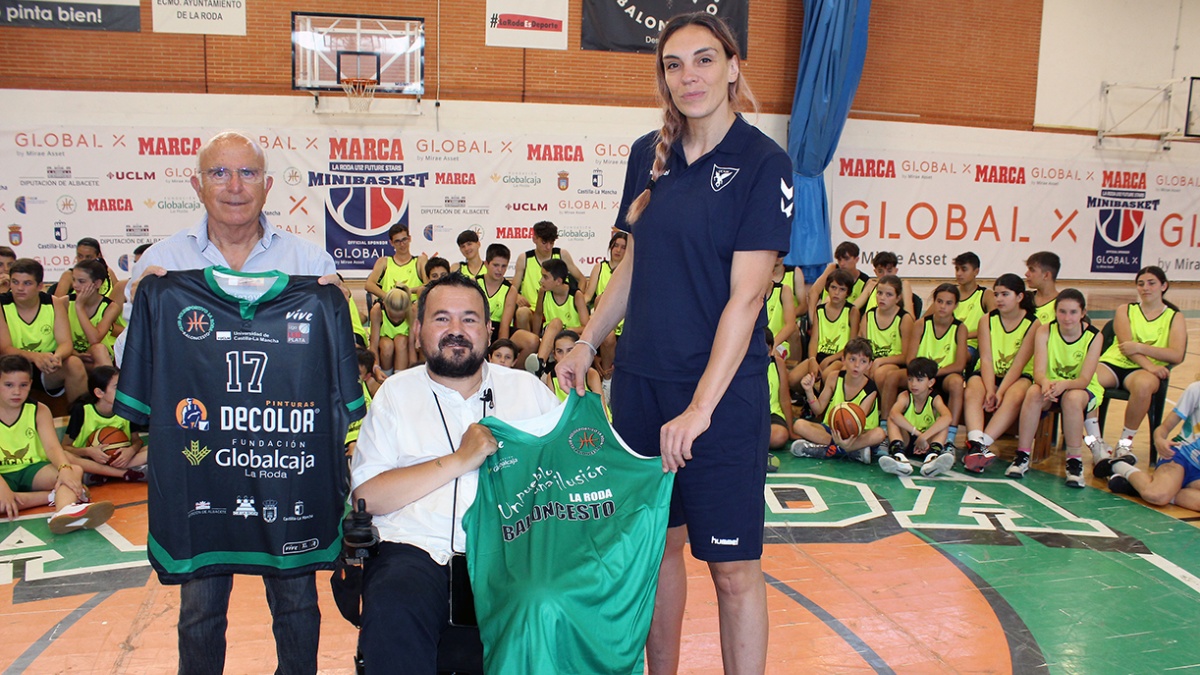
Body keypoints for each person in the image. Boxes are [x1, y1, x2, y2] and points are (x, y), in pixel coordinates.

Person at [556, 12, 793, 674]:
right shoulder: (646, 155)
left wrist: (699, 409)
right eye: (673, 63)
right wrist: (587, 339)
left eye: (704, 59)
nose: (688, 75)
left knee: (733, 569)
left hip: (719, 397)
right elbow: (632, 265)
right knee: (657, 552)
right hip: (640, 386)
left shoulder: (762, 163)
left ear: (733, 66)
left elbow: (747, 297)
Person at [126, 130, 341, 675]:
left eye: (247, 173)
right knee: (200, 611)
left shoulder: (309, 262)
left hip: (284, 467)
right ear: (197, 184)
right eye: (220, 173)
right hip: (202, 471)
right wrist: (144, 299)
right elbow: (141, 372)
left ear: (268, 185)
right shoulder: (161, 265)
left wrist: (331, 301)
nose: (234, 186)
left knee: (296, 604)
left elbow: (335, 371)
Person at [350, 273, 559, 671]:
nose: (457, 331)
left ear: (488, 328)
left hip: (513, 553)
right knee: (393, 606)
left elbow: (573, 472)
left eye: (469, 319)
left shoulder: (527, 391)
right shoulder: (396, 394)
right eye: (442, 319)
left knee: (553, 605)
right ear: (418, 331)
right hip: (414, 549)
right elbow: (367, 495)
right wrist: (461, 460)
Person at [1088, 265, 1185, 476]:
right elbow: (1125, 345)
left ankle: (1124, 444)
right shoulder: (1126, 309)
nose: (1145, 288)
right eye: (1141, 283)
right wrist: (1150, 364)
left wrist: (1140, 347)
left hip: (1140, 374)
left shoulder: (1174, 317)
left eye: (1151, 283)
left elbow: (1176, 354)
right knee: (1087, 380)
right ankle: (1096, 444)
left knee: (1143, 387)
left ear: (1164, 286)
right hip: (1115, 363)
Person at [0, 354, 113, 533]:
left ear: (30, 383)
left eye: (23, 385)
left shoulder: (39, 410)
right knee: (3, 499)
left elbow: (52, 447)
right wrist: (3, 488)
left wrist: (64, 469)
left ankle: (63, 513)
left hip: (32, 469)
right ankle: (53, 497)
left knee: (73, 471)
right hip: (2, 474)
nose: (16, 392)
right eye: (9, 385)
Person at [1008, 289, 1103, 487]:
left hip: (1081, 388)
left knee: (1072, 399)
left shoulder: (1094, 336)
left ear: (1083, 312)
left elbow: (1084, 379)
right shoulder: (1045, 331)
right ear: (1055, 311)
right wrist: (1045, 383)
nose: (1067, 318)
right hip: (1051, 385)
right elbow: (1039, 372)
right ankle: (1022, 455)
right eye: (1062, 312)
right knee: (1033, 392)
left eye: (1073, 312)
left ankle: (1074, 461)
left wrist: (1064, 385)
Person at [962, 274, 1038, 472]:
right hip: (989, 373)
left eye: (1005, 294)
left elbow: (1019, 363)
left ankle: (983, 445)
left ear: (1020, 297)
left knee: (1015, 395)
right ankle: (976, 444)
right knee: (972, 389)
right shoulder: (987, 320)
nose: (999, 299)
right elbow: (986, 358)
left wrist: (1000, 391)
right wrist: (989, 390)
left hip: (1018, 375)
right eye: (996, 294)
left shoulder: (1033, 324)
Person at [884, 283, 967, 449]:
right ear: (934, 302)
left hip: (943, 374)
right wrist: (922, 374)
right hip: (919, 372)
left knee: (957, 383)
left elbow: (959, 364)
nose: (943, 306)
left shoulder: (960, 328)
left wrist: (934, 373)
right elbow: (910, 358)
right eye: (940, 301)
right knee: (892, 376)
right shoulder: (922, 324)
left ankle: (949, 437)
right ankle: (885, 427)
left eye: (948, 303)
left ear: (956, 305)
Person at [0, 258, 88, 403]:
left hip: (46, 366)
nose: (19, 288)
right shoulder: (2, 304)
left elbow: (65, 343)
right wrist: (35, 357)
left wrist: (56, 357)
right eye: (15, 282)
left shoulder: (54, 303)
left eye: (27, 283)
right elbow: (4, 349)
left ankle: (80, 420)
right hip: (10, 366)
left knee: (74, 364)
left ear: (40, 286)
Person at [1107, 378, 1200, 510]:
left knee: (1162, 493)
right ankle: (1118, 465)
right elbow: (1163, 429)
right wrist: (1160, 440)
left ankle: (1153, 489)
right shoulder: (1196, 390)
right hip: (1181, 456)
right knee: (1157, 495)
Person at [790, 337, 885, 464]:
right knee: (799, 425)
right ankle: (850, 451)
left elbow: (858, 422)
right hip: (833, 431)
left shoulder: (870, 389)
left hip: (858, 434)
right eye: (852, 359)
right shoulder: (834, 377)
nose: (857, 365)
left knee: (879, 433)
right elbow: (818, 409)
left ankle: (830, 449)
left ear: (870, 365)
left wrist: (845, 439)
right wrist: (809, 390)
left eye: (863, 361)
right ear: (843, 359)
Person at [61, 366, 147, 483]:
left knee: (155, 448)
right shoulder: (82, 410)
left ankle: (100, 475)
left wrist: (131, 450)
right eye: (117, 387)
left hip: (120, 460)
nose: (124, 390)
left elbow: (137, 441)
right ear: (99, 393)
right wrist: (88, 451)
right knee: (65, 455)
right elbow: (65, 447)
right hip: (89, 460)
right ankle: (125, 473)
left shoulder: (128, 408)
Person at [879, 357, 954, 477]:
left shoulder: (935, 398)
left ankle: (932, 457)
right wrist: (918, 434)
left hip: (927, 443)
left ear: (931, 382)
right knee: (892, 419)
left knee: (943, 422)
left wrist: (925, 437)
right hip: (908, 440)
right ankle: (899, 457)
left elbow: (948, 417)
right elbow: (894, 413)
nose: (913, 384)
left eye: (919, 380)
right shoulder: (905, 396)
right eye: (910, 379)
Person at [788, 269, 858, 393]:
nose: (836, 293)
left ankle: (821, 407)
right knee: (792, 379)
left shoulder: (852, 311)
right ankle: (811, 399)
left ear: (848, 292)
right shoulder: (819, 310)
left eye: (842, 289)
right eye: (833, 287)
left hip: (840, 357)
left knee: (826, 375)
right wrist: (812, 360)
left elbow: (852, 346)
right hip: (819, 355)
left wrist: (830, 359)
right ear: (827, 288)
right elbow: (814, 340)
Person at [510, 221, 584, 332]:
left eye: (551, 243)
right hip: (533, 309)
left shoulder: (562, 254)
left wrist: (580, 299)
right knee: (522, 313)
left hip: (558, 309)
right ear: (534, 239)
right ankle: (530, 343)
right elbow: (513, 288)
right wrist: (517, 297)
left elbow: (582, 279)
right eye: (544, 242)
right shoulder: (524, 258)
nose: (548, 247)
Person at [860, 275, 911, 416]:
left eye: (889, 294)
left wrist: (880, 361)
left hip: (894, 362)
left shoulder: (904, 319)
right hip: (871, 361)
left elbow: (906, 356)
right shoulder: (868, 316)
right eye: (879, 293)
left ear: (898, 298)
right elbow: (860, 346)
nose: (882, 298)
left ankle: (886, 417)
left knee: (881, 374)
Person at [583, 231, 628, 382]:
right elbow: (588, 296)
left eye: (623, 247)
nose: (618, 250)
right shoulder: (599, 267)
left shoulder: (630, 272)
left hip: (626, 323)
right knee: (607, 335)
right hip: (603, 319)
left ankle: (613, 380)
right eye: (616, 246)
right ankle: (607, 381)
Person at [67, 258, 121, 370]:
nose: (75, 286)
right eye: (74, 280)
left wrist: (79, 307)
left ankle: (106, 386)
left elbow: (94, 339)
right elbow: (58, 338)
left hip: (97, 356)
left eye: (81, 281)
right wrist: (73, 352)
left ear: (97, 284)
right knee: (72, 362)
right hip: (70, 355)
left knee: (98, 349)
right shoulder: (64, 302)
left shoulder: (110, 307)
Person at [807, 241, 869, 323]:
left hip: (847, 322)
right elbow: (813, 292)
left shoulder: (865, 281)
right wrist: (813, 320)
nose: (842, 263)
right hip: (824, 318)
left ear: (856, 259)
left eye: (846, 259)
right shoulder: (832, 269)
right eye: (839, 259)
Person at [952, 252, 995, 364]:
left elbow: (995, 325)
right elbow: (926, 320)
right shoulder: (950, 293)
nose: (959, 273)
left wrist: (963, 336)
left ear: (976, 271)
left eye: (964, 269)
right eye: (957, 269)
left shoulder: (986, 295)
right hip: (946, 341)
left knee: (956, 357)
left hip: (970, 344)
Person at [53, 237, 118, 298]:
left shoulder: (108, 272)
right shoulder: (69, 275)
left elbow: (120, 295)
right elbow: (57, 304)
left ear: (98, 256)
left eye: (88, 257)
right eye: (80, 256)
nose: (83, 260)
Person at [1025, 251, 1061, 327]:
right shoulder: (1024, 299)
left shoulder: (1063, 303)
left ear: (1046, 275)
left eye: (1032, 270)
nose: (1026, 274)